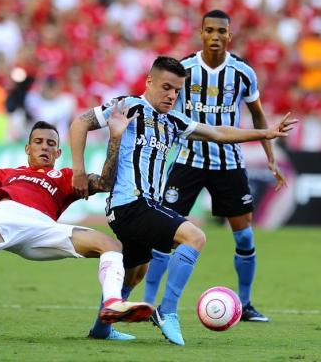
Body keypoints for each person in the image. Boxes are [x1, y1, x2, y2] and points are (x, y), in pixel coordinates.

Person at [70, 56, 297, 346]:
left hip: (144, 206)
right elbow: (80, 123)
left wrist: (264, 132)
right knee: (194, 236)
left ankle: (102, 328)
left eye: (177, 90)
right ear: (149, 82)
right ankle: (167, 312)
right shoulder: (127, 106)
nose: (172, 95)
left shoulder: (174, 121)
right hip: (130, 204)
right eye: (166, 87)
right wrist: (78, 170)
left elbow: (218, 133)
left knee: (135, 272)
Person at [0, 104, 154, 343]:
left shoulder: (67, 177)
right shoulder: (8, 174)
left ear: (58, 153)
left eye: (50, 143)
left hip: (43, 229)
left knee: (110, 244)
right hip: (7, 216)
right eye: (38, 141)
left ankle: (112, 304)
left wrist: (115, 137)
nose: (44, 146)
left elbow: (106, 183)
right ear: (27, 148)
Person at [144, 9, 286, 323]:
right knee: (163, 234)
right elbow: (163, 107)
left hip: (229, 164)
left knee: (245, 237)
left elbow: (258, 116)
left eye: (222, 31)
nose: (216, 37)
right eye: (210, 30)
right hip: (187, 161)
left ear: (229, 35)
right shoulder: (185, 69)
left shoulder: (242, 72)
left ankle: (245, 304)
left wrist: (271, 157)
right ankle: (147, 305)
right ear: (202, 33)